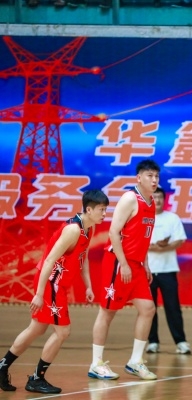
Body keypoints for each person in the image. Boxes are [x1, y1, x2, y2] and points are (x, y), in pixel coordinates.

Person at [0, 190, 109, 394]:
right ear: (89, 209)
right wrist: (39, 294)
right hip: (51, 284)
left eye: (105, 209)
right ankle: (36, 378)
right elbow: (49, 260)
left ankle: (2, 366)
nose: (105, 214)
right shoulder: (73, 230)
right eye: (102, 210)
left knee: (36, 328)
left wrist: (88, 285)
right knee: (62, 332)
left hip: (57, 285)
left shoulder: (89, 228)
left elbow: (83, 258)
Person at [88, 159, 160, 381]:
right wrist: (125, 263)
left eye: (156, 176)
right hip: (118, 263)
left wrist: (145, 263)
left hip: (136, 264)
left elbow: (143, 237)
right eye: (150, 176)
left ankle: (135, 361)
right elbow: (113, 232)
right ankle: (96, 364)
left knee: (148, 309)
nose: (154, 180)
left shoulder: (151, 202)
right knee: (107, 312)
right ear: (139, 178)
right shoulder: (130, 198)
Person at [145, 186, 190, 355]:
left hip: (168, 269)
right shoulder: (143, 218)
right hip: (147, 270)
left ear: (164, 200)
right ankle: (153, 342)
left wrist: (161, 247)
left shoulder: (172, 218)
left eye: (160, 197)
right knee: (149, 308)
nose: (157, 200)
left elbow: (179, 240)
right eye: (154, 197)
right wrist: (152, 247)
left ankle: (181, 341)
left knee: (173, 307)